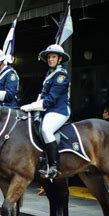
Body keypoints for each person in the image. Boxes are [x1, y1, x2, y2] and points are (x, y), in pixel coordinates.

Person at [20, 44, 71, 178]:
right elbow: (42, 95)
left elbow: (51, 100)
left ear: (60, 59)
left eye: (53, 57)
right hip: (48, 110)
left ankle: (54, 166)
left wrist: (30, 106)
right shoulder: (50, 73)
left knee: (45, 130)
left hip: (59, 110)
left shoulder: (61, 75)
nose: (50, 59)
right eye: (49, 57)